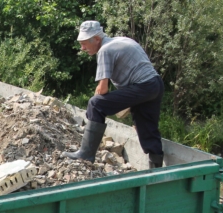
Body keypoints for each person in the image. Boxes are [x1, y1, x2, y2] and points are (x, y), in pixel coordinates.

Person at [65, 21, 165, 169]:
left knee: (95, 104)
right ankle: (156, 170)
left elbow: (103, 89)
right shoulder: (123, 40)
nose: (83, 48)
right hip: (155, 85)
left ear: (97, 39)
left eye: (85, 43)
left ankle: (86, 154)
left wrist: (94, 107)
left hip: (142, 87)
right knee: (147, 128)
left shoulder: (105, 50)